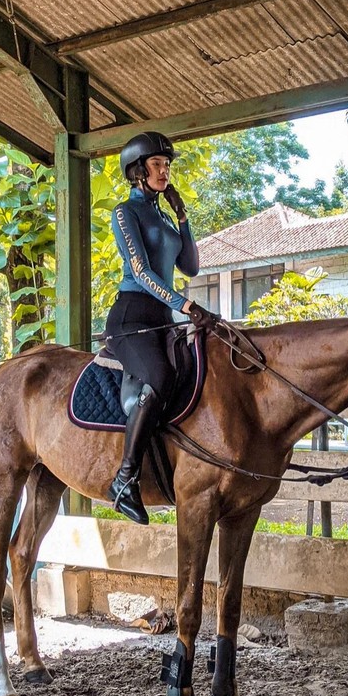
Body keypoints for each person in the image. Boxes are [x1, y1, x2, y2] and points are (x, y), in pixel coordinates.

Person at [105, 131, 218, 525]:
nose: (164, 170)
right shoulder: (125, 212)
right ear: (137, 170)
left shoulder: (165, 215)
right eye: (157, 164)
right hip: (131, 317)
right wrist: (185, 304)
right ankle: (124, 479)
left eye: (167, 165)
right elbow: (141, 271)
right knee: (160, 375)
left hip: (162, 321)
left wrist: (183, 216)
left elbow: (190, 266)